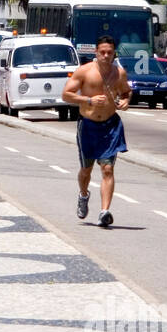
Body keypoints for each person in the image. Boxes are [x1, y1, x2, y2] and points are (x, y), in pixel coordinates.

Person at [62, 34, 131, 229]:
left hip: (110, 126)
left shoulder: (119, 73)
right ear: (96, 52)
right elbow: (66, 95)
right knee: (86, 169)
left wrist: (126, 101)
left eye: (110, 52)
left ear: (114, 53)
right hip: (88, 126)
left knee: (108, 169)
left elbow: (126, 92)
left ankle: (104, 211)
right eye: (102, 52)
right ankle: (84, 195)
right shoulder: (84, 72)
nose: (106, 56)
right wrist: (88, 100)